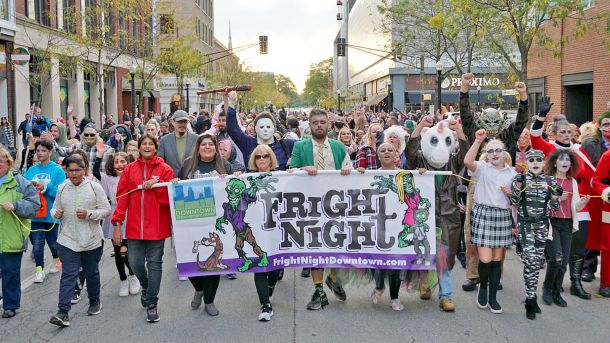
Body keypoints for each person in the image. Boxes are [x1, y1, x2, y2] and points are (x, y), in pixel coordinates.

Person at [290, 108, 353, 310]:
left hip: (336, 205)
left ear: (329, 124)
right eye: (315, 122)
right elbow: (289, 172)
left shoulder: (338, 146)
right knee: (316, 248)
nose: (319, 125)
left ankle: (333, 278)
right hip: (311, 206)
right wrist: (302, 169)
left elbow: (350, 172)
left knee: (337, 244)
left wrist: (349, 171)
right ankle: (319, 291)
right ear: (310, 125)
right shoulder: (300, 146)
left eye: (322, 122)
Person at [111, 134, 174, 323]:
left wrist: (156, 186)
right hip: (135, 228)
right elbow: (122, 199)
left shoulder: (165, 170)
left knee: (155, 264)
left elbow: (168, 201)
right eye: (143, 144)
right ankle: (146, 287)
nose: (147, 146)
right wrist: (117, 224)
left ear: (156, 148)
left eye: (151, 144)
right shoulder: (129, 170)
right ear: (139, 148)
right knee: (135, 262)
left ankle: (152, 302)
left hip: (157, 226)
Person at [48, 154, 111, 327]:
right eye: (70, 170)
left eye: (78, 170)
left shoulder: (94, 187)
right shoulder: (62, 188)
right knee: (69, 274)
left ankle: (94, 301)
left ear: (84, 170)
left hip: (91, 239)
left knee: (91, 272)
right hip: (68, 240)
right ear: (66, 171)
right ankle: (63, 312)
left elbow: (106, 210)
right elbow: (54, 209)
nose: (74, 174)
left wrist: (89, 214)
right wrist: (56, 214)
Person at [175, 133, 234, 317]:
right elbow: (178, 187)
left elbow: (235, 188)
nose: (207, 147)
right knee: (190, 258)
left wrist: (234, 178)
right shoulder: (187, 165)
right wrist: (176, 183)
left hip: (217, 220)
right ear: (198, 148)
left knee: (214, 261)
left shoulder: (225, 166)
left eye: (211, 144)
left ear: (216, 148)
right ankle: (199, 289)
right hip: (191, 220)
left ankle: (209, 301)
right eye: (204, 144)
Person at [464, 130, 517, 314]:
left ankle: (493, 297)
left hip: (502, 216)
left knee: (497, 259)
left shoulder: (512, 174)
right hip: (483, 213)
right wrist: (478, 141)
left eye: (498, 150)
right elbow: (467, 162)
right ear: (487, 153)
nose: (495, 153)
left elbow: (518, 199)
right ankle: (483, 288)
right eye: (491, 150)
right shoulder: (482, 168)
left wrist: (511, 194)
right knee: (485, 259)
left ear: (504, 153)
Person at [510, 149, 561, 320]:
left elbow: (554, 209)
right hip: (526, 225)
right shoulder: (521, 178)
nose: (535, 163)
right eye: (531, 160)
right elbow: (514, 202)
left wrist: (555, 197)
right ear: (527, 162)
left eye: (538, 160)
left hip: (542, 225)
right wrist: (516, 189)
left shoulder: (550, 180)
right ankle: (530, 299)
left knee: (537, 262)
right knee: (530, 259)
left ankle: (531, 297)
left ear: (544, 162)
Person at [542, 149, 589, 307]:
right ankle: (547, 289)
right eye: (561, 159)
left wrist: (582, 203)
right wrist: (554, 199)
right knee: (556, 258)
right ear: (555, 163)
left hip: (567, 224)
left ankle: (556, 293)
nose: (564, 162)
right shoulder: (547, 180)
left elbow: (574, 207)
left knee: (563, 263)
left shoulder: (572, 182)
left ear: (571, 164)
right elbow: (542, 205)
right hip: (552, 223)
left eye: (568, 160)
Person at [93, 146, 140, 297]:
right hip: (115, 217)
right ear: (112, 165)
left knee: (128, 251)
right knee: (119, 251)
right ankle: (123, 279)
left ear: (128, 162)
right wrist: (99, 155)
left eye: (123, 161)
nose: (120, 164)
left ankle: (133, 276)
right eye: (117, 162)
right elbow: (94, 172)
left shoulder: (133, 177)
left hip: (130, 216)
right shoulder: (108, 179)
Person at [365, 142, 406, 311]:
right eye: (383, 150)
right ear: (378, 156)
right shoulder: (370, 175)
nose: (387, 152)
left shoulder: (405, 175)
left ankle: (394, 298)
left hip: (398, 224)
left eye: (390, 150)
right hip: (378, 224)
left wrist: (421, 174)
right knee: (378, 262)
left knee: (397, 264)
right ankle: (379, 286)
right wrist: (358, 174)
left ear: (396, 155)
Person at [0, 148, 40, 318]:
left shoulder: (20, 183)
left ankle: (11, 305)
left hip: (12, 236)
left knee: (10, 274)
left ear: (8, 163)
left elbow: (34, 206)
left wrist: (16, 205)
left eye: (0, 162)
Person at [245, 144, 283, 320]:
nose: (261, 159)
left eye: (265, 156)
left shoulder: (282, 176)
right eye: (258, 156)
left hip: (277, 228)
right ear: (254, 159)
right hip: (256, 228)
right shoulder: (247, 178)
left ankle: (271, 286)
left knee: (275, 266)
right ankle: (265, 305)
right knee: (259, 266)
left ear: (271, 158)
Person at [24, 139, 66, 283]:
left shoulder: (57, 170)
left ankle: (56, 258)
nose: (40, 153)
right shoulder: (31, 170)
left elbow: (60, 193)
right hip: (35, 214)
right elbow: (24, 190)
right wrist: (32, 187)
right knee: (37, 243)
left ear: (50, 152)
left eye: (43, 150)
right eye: (38, 151)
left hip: (51, 214)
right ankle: (39, 270)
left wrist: (45, 187)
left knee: (53, 243)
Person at [157, 110, 198, 177]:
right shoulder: (164, 140)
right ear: (173, 122)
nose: (182, 125)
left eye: (184, 122)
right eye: (179, 122)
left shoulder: (196, 139)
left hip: (191, 181)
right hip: (171, 181)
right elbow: (160, 163)